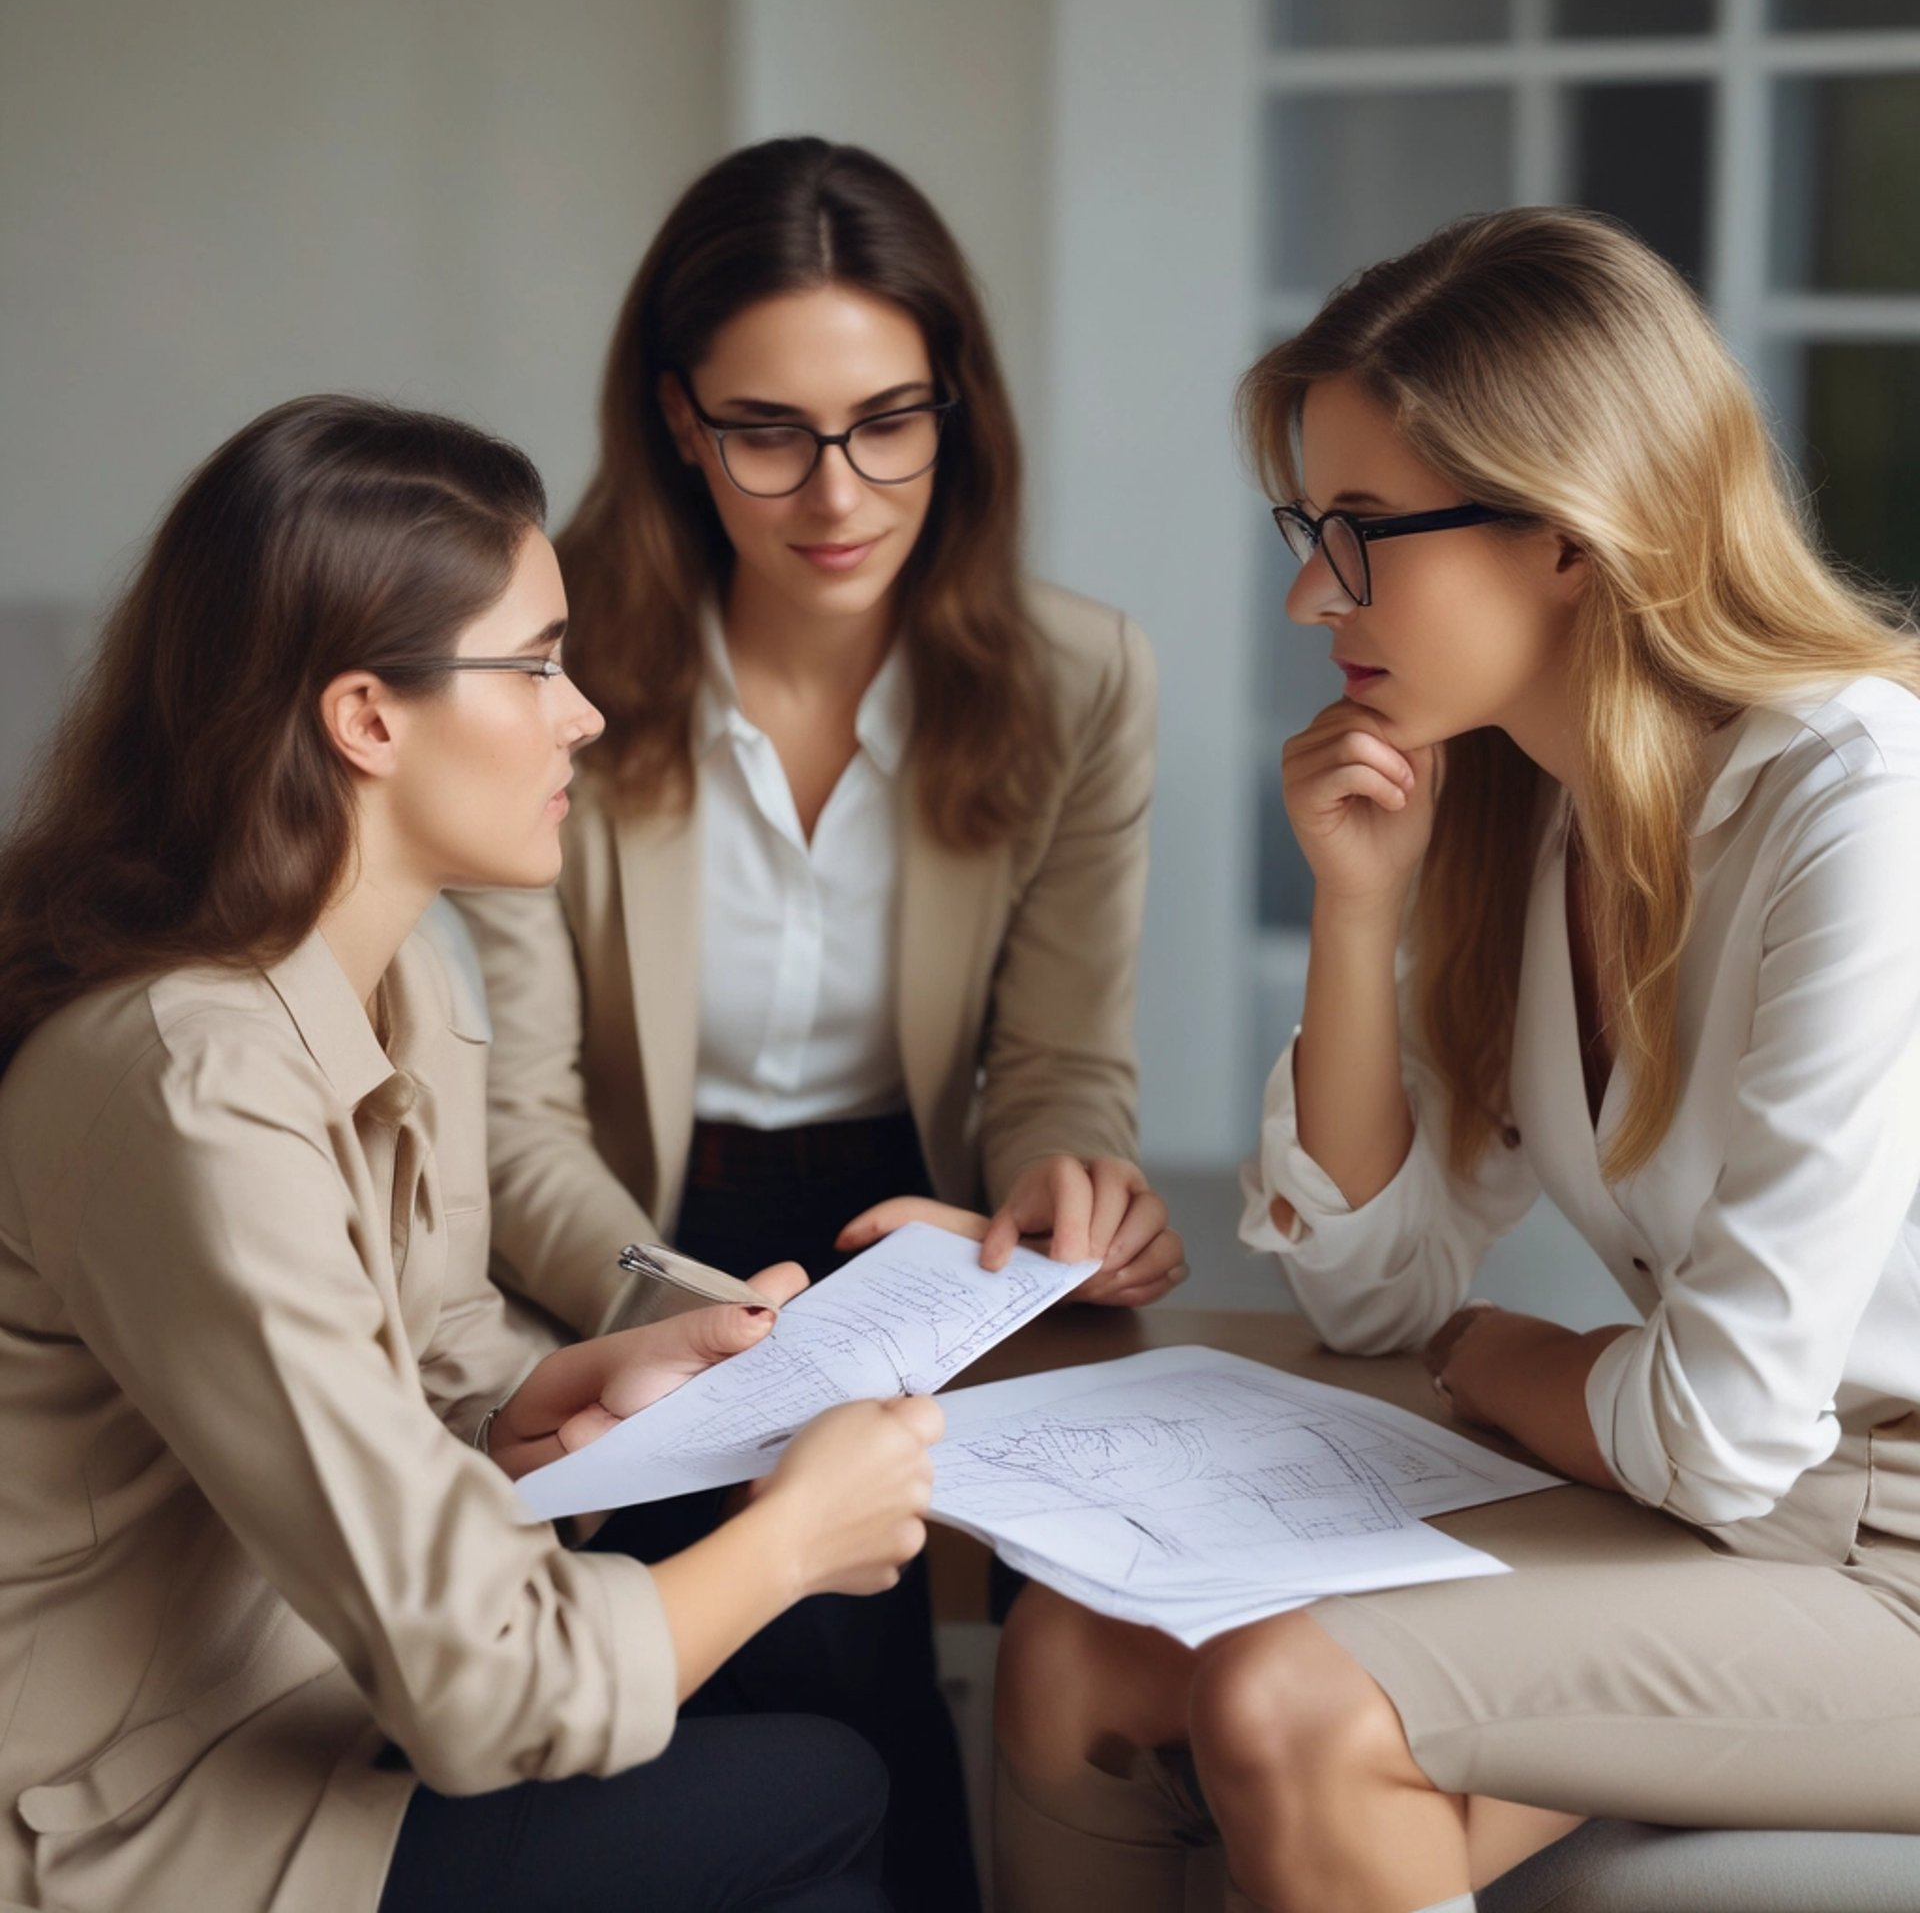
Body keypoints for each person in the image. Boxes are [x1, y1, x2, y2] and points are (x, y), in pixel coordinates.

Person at [989, 207, 1920, 1913]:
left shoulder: (1862, 808)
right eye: (1309, 529)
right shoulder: (1538, 810)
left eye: (1360, 533)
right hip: (1722, 1507)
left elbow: (1713, 1427)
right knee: (1079, 1651)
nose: (1306, 593)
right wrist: (1356, 914)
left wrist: (1503, 1362)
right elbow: (1376, 1296)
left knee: (1288, 1702)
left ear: (1567, 530)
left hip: (1889, 1557)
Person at [0, 394, 946, 1913]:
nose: (584, 714)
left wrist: (532, 1409)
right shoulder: (188, 1082)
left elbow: (421, 1367)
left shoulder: (407, 979)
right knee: (823, 1784)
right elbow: (484, 1680)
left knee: (802, 1792)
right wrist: (791, 1542)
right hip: (138, 1813)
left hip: (314, 1697)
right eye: (538, 665)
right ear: (368, 719)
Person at [451, 137, 1184, 1911]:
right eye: (768, 431)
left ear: (956, 408)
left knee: (1075, 1573)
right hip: (627, 1223)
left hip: (918, 1219)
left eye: (887, 423)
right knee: (802, 1639)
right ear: (679, 421)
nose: (836, 491)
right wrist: (700, 1317)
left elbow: (1059, 1057)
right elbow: (517, 1113)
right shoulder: (549, 674)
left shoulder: (1079, 677)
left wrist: (1070, 1183)